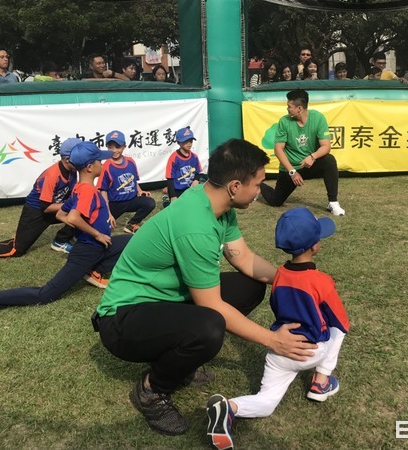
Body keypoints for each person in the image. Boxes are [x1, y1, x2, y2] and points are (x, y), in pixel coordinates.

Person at [93, 139, 318, 436]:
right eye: (258, 184)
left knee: (250, 287)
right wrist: (273, 340)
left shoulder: (217, 203)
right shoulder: (196, 226)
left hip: (163, 301)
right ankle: (151, 389)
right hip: (122, 318)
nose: (260, 192)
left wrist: (295, 280)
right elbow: (211, 305)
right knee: (210, 326)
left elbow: (244, 258)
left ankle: (180, 355)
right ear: (235, 186)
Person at [206, 207, 349, 450]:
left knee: (267, 401)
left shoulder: (280, 275)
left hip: (279, 350)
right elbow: (340, 320)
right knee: (340, 330)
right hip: (310, 351)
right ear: (315, 246)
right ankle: (321, 381)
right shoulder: (322, 281)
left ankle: (230, 407)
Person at [0, 142, 131, 312]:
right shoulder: (87, 190)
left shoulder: (79, 188)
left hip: (98, 247)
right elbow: (72, 217)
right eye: (99, 162)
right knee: (45, 295)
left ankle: (96, 269)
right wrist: (96, 234)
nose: (102, 164)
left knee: (133, 240)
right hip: (87, 251)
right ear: (89, 167)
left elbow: (60, 214)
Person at [0, 138, 82, 258]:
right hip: (37, 211)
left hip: (55, 207)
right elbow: (46, 207)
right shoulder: (52, 175)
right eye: (81, 156)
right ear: (68, 159)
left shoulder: (73, 169)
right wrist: (71, 205)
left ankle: (61, 240)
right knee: (16, 250)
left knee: (84, 209)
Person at [260, 89, 345, 216]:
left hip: (309, 164)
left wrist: (312, 156)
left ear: (299, 108)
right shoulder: (284, 121)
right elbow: (278, 150)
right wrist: (292, 172)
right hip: (291, 168)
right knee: (275, 201)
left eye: (289, 107)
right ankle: (258, 185)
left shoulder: (318, 118)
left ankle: (333, 202)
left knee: (329, 160)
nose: (287, 110)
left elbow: (326, 146)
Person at [96, 130, 155, 234]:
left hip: (132, 199)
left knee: (150, 203)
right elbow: (103, 190)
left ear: (124, 146)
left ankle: (132, 224)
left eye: (117, 146)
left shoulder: (130, 161)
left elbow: (133, 180)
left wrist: (140, 191)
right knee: (102, 228)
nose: (114, 150)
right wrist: (107, 211)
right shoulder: (106, 166)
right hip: (115, 204)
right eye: (110, 147)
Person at [165, 126, 203, 203]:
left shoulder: (194, 157)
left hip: (190, 188)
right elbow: (170, 179)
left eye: (191, 141)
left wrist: (196, 180)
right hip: (177, 190)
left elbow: (198, 173)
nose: (189, 143)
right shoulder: (174, 157)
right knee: (177, 209)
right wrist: (173, 196)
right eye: (186, 141)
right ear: (179, 142)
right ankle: (165, 199)